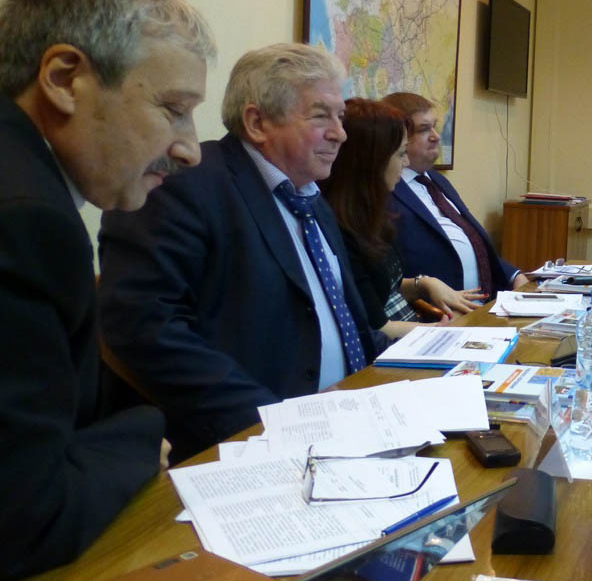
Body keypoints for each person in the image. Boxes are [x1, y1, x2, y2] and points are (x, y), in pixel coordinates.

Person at [0, 0, 214, 581]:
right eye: (173, 108)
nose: (190, 150)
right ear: (65, 79)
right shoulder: (26, 221)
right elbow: (25, 523)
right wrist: (143, 437)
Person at [98, 43, 387, 462]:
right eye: (320, 116)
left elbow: (342, 319)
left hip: (353, 425)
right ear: (257, 122)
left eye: (339, 117)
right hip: (254, 446)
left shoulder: (311, 198)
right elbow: (145, 327)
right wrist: (272, 426)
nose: (340, 133)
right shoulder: (182, 185)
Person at [318, 98, 456, 335]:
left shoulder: (368, 214)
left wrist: (423, 283)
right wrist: (445, 331)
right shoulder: (338, 229)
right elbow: (375, 327)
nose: (406, 162)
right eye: (401, 153)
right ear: (372, 162)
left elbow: (381, 286)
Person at [383, 91, 528, 310]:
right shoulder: (385, 191)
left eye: (435, 126)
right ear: (397, 137)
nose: (436, 136)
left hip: (488, 307)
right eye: (424, 129)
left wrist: (514, 275)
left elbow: (472, 240)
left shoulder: (437, 181)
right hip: (438, 315)